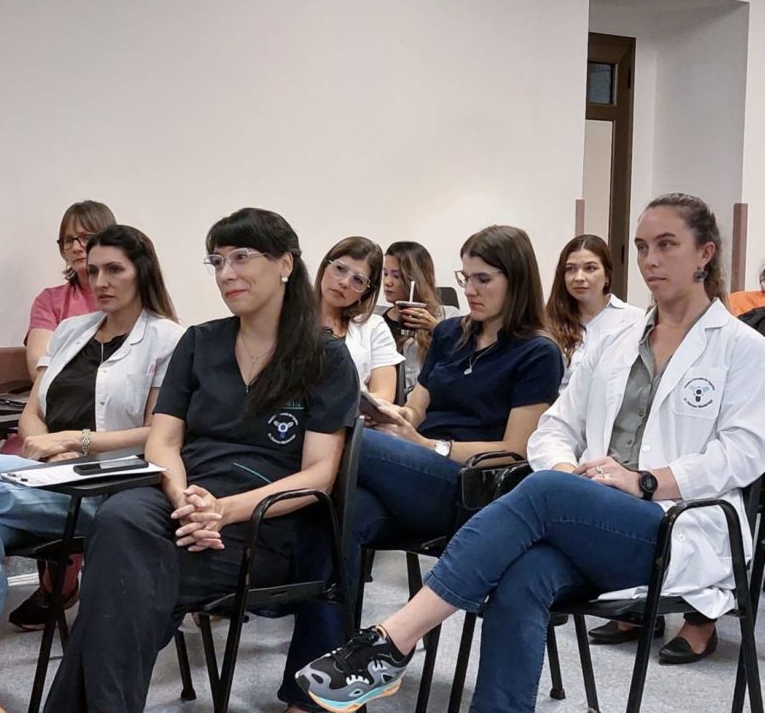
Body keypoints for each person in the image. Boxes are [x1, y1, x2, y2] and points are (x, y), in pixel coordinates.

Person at [296, 194, 765, 713]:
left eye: (666, 245)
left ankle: (394, 639)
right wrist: (570, 474)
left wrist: (645, 481)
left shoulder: (744, 349)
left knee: (539, 490)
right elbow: (554, 429)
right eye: (641, 246)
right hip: (585, 513)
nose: (650, 259)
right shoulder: (614, 337)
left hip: (672, 524)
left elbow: (745, 453)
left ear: (705, 254)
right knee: (521, 576)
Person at [43, 208, 360, 713]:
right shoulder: (200, 341)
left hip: (260, 521)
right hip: (181, 497)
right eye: (216, 261)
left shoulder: (325, 357)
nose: (226, 273)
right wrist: (184, 497)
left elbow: (319, 473)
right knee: (121, 516)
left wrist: (225, 511)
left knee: (120, 582)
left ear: (285, 264)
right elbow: (163, 443)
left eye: (241, 257)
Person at [347, 225, 563, 590]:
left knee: (351, 442)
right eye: (465, 277)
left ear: (517, 280)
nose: (469, 291)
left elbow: (514, 450)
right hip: (417, 469)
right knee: (340, 516)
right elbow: (415, 410)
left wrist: (425, 445)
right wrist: (391, 416)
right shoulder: (449, 334)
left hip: (472, 486)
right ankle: (340, 642)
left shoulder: (537, 352)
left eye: (483, 279)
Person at [0, 224, 183, 626]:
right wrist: (46, 447)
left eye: (115, 270)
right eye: (94, 271)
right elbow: (33, 411)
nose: (100, 281)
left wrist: (77, 442)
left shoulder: (168, 339)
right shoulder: (70, 331)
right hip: (47, 474)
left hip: (114, 487)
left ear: (143, 271)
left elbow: (160, 432)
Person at [25, 200, 117, 380]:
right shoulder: (49, 300)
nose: (75, 248)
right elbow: (38, 366)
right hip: (65, 399)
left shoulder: (134, 295)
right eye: (68, 240)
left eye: (86, 238)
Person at [546, 234, 643, 392]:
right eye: (571, 269)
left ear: (607, 276)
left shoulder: (635, 321)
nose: (579, 277)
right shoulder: (549, 321)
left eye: (590, 268)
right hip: (556, 413)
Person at [316, 236, 402, 401]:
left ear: (366, 292)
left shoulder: (374, 327)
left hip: (350, 421)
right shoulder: (288, 315)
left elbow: (383, 397)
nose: (344, 282)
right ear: (325, 266)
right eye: (340, 269)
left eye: (358, 280)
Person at [381, 241, 461, 391]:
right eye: (385, 274)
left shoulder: (448, 315)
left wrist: (436, 328)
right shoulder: (376, 319)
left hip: (428, 403)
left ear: (416, 279)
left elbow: (462, 362)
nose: (387, 282)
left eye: (396, 276)